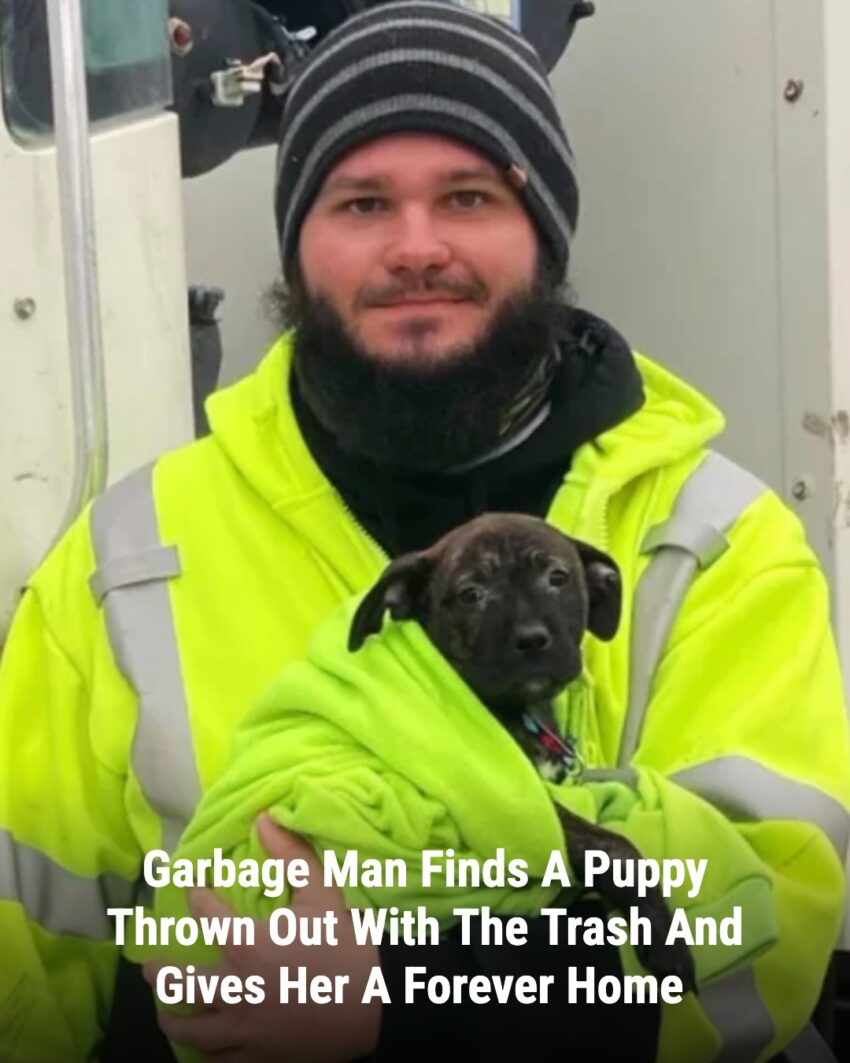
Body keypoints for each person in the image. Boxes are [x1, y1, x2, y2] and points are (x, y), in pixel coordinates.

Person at [0, 3, 848, 1061]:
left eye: (468, 196)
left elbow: (767, 935)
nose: (415, 247)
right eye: (361, 202)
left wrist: (408, 1006)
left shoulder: (715, 541)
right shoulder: (126, 555)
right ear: (295, 247)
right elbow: (25, 948)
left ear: (543, 233)